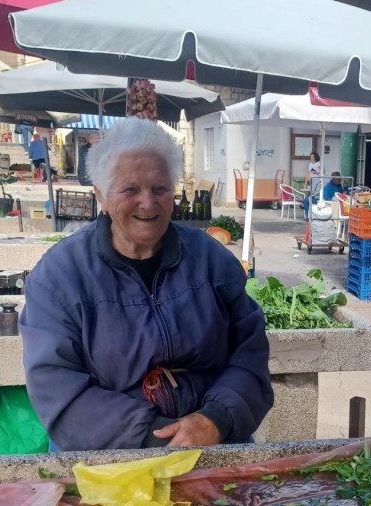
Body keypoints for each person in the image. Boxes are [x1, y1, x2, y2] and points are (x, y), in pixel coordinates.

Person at [19, 118, 274, 451]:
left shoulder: (210, 258)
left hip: (213, 437)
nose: (148, 203)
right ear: (102, 196)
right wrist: (159, 436)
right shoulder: (60, 276)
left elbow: (249, 349)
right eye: (130, 189)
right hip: (109, 446)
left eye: (160, 188)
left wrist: (217, 418)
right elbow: (56, 386)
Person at [302, 151, 322, 220]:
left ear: (315, 157)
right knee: (309, 196)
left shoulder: (318, 164)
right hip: (311, 179)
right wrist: (306, 181)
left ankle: (310, 215)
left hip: (316, 179)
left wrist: (313, 171)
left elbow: (319, 172)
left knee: (311, 196)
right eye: (310, 156)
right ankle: (308, 215)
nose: (311, 158)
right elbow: (308, 172)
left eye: (312, 156)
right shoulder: (310, 164)